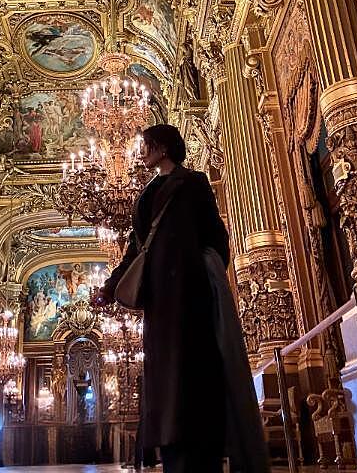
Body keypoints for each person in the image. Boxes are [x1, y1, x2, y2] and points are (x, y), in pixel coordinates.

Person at [92, 124, 270, 473]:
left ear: (164, 148)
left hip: (192, 295)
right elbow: (136, 250)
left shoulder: (193, 183)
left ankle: (203, 448)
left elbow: (216, 235)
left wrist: (202, 270)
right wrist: (110, 288)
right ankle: (172, 448)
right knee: (166, 376)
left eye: (147, 145)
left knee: (195, 369)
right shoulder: (147, 194)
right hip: (160, 302)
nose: (142, 152)